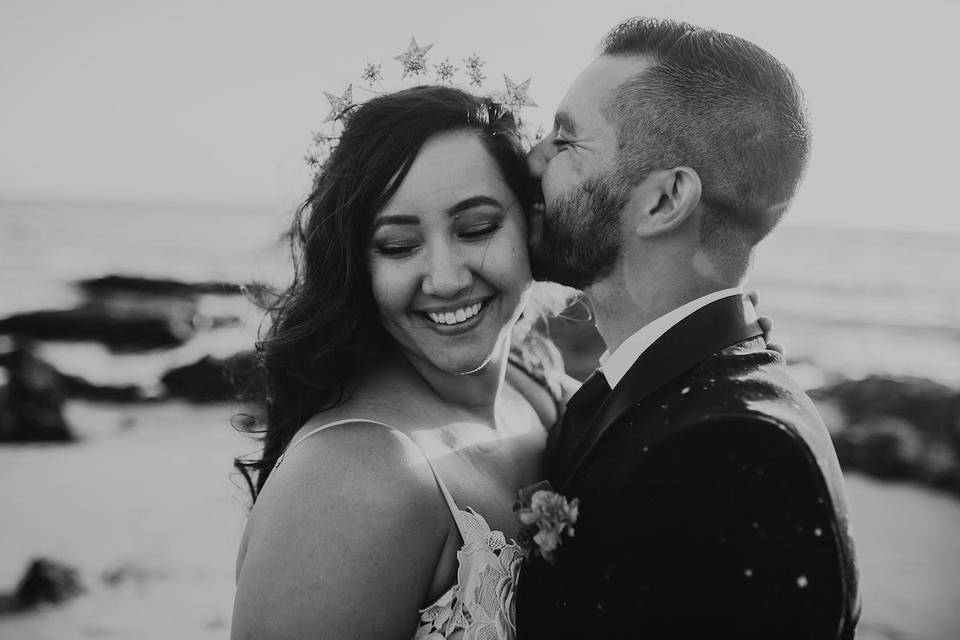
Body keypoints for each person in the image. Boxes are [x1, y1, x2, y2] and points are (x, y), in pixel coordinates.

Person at [515, 17, 860, 640]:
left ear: (664, 200)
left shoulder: (740, 455)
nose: (530, 159)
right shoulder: (635, 390)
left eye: (566, 142)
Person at [231, 85, 574, 640]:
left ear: (532, 224)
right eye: (397, 246)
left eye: (477, 228)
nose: (445, 279)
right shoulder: (353, 483)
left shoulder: (538, 390)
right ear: (356, 265)